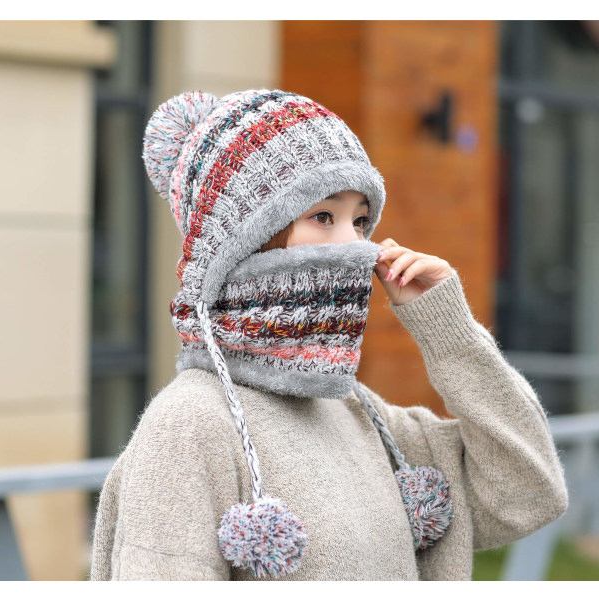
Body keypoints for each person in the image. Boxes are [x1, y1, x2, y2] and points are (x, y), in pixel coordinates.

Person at [89, 89, 568, 581]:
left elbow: (528, 491)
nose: (357, 245)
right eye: (323, 216)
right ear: (247, 242)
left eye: (361, 220)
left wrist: (449, 331)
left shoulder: (361, 414)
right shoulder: (189, 425)